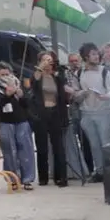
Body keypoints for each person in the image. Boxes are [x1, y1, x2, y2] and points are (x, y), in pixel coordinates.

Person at [0, 62, 35, 191]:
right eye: (2, 74)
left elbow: (27, 103)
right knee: (9, 151)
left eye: (7, 74)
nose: (6, 77)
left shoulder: (18, 83)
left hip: (21, 120)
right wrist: (7, 95)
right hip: (6, 122)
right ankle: (13, 178)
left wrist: (21, 96)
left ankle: (27, 179)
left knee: (25, 149)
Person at [29, 51, 69, 187]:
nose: (48, 62)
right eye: (45, 60)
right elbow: (33, 82)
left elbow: (63, 92)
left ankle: (60, 177)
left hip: (55, 112)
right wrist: (41, 67)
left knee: (58, 146)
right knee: (42, 147)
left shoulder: (56, 76)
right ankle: (43, 177)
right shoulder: (38, 75)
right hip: (41, 113)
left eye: (50, 60)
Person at [76, 42, 110, 183]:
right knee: (94, 144)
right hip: (86, 112)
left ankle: (109, 171)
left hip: (103, 111)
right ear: (86, 57)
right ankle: (99, 171)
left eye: (96, 53)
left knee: (105, 143)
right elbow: (75, 92)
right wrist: (81, 93)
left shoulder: (105, 71)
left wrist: (106, 96)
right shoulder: (80, 72)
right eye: (92, 54)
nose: (96, 56)